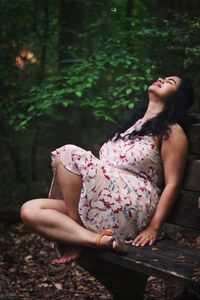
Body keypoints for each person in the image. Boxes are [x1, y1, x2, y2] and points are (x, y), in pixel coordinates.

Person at [20, 75, 195, 265]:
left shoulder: (171, 130)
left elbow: (173, 183)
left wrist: (154, 227)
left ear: (177, 98)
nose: (161, 79)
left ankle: (76, 233)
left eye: (170, 82)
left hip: (131, 205)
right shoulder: (131, 126)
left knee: (68, 153)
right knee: (30, 210)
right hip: (104, 202)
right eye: (163, 77)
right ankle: (94, 239)